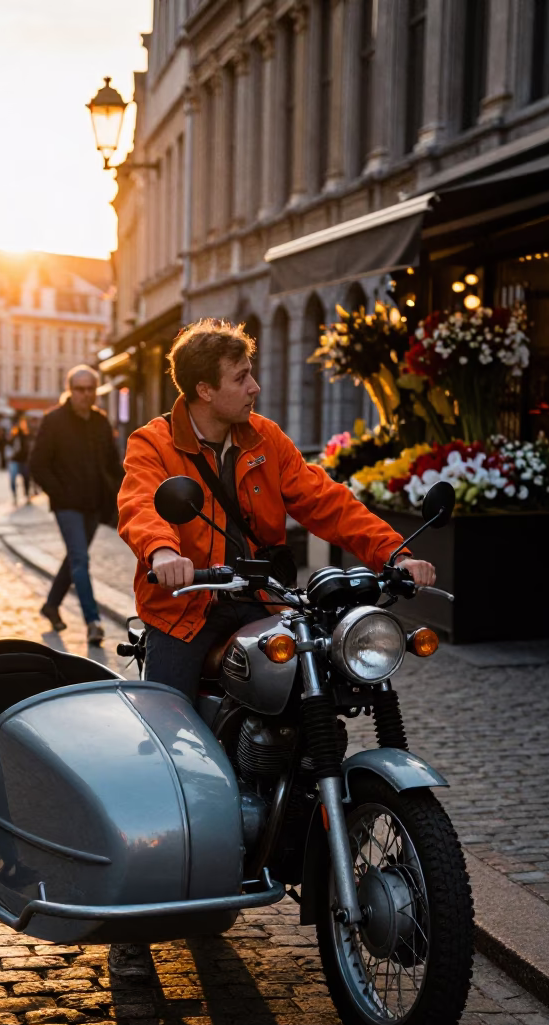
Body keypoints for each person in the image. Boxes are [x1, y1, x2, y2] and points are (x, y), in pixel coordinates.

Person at [112, 318, 436, 981]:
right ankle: (139, 912)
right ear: (205, 388)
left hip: (260, 601)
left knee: (325, 673)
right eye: (241, 378)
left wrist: (391, 550)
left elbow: (323, 500)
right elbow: (138, 505)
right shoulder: (153, 443)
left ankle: (293, 808)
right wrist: (164, 550)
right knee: (166, 746)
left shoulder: (262, 440)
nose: (255, 387)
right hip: (186, 608)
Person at [30, 366, 123, 644]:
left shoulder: (101, 422)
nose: (85, 394)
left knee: (74, 557)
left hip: (94, 506)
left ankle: (51, 605)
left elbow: (112, 464)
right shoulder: (54, 421)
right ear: (70, 390)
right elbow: (37, 464)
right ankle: (92, 620)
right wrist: (59, 494)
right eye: (80, 389)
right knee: (80, 558)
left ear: (96, 391)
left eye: (90, 389)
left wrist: (118, 494)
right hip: (67, 505)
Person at [7, 417, 32, 504]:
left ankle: (27, 495)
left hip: (24, 460)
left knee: (26, 478)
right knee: (13, 479)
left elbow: (29, 448)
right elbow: (8, 445)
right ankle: (15, 496)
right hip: (14, 460)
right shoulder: (14, 435)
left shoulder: (27, 435)